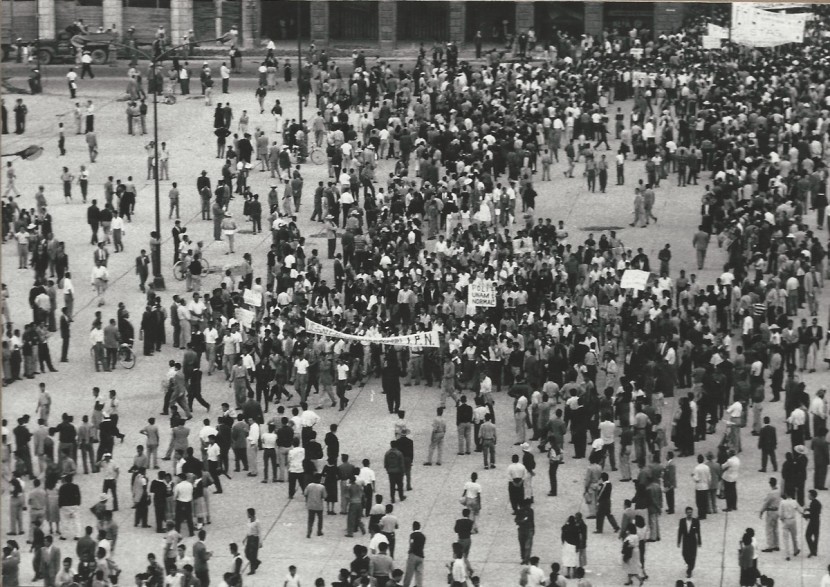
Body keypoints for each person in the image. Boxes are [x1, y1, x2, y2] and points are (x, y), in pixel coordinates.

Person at [677, 506, 701, 578]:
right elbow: (680, 532)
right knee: (685, 554)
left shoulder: (696, 521)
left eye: (691, 512)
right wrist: (678, 541)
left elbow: (698, 532)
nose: (689, 514)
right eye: (688, 512)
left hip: (693, 541)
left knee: (693, 556)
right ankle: (689, 564)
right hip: (685, 541)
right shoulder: (682, 521)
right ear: (685, 513)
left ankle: (689, 570)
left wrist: (699, 541)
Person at [243, 508, 261, 575]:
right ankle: (256, 562)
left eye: (247, 513)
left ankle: (252, 570)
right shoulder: (248, 520)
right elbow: (248, 531)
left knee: (252, 554)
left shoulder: (257, 522)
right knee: (246, 553)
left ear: (250, 514)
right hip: (249, 538)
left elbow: (260, 532)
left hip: (255, 539)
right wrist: (245, 538)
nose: (247, 514)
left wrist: (260, 542)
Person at [805, 489, 822, 558]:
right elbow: (815, 511)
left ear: (812, 496)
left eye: (809, 495)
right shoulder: (817, 502)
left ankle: (812, 550)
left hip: (813, 522)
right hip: (817, 521)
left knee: (807, 535)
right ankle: (814, 550)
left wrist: (804, 515)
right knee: (816, 536)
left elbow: (812, 514)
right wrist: (808, 509)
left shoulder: (812, 503)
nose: (808, 496)